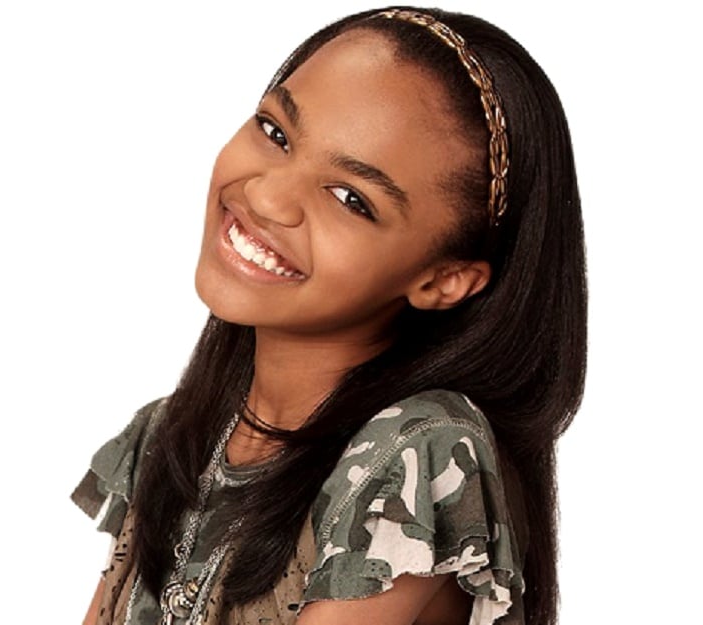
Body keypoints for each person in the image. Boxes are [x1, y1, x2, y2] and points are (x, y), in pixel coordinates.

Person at [72, 6, 586, 625]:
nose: (266, 195)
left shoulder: (416, 452)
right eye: (276, 133)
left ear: (442, 280)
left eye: (350, 199)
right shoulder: (171, 436)